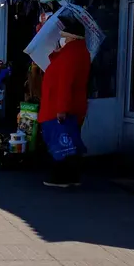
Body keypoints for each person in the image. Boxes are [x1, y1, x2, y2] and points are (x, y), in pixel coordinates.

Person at [39, 14, 91, 188]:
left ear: (71, 38)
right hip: (67, 106)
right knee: (70, 141)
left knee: (60, 142)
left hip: (58, 108)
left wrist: (61, 109)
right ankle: (71, 176)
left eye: (64, 37)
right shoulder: (75, 53)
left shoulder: (71, 55)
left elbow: (65, 84)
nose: (62, 40)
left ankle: (61, 177)